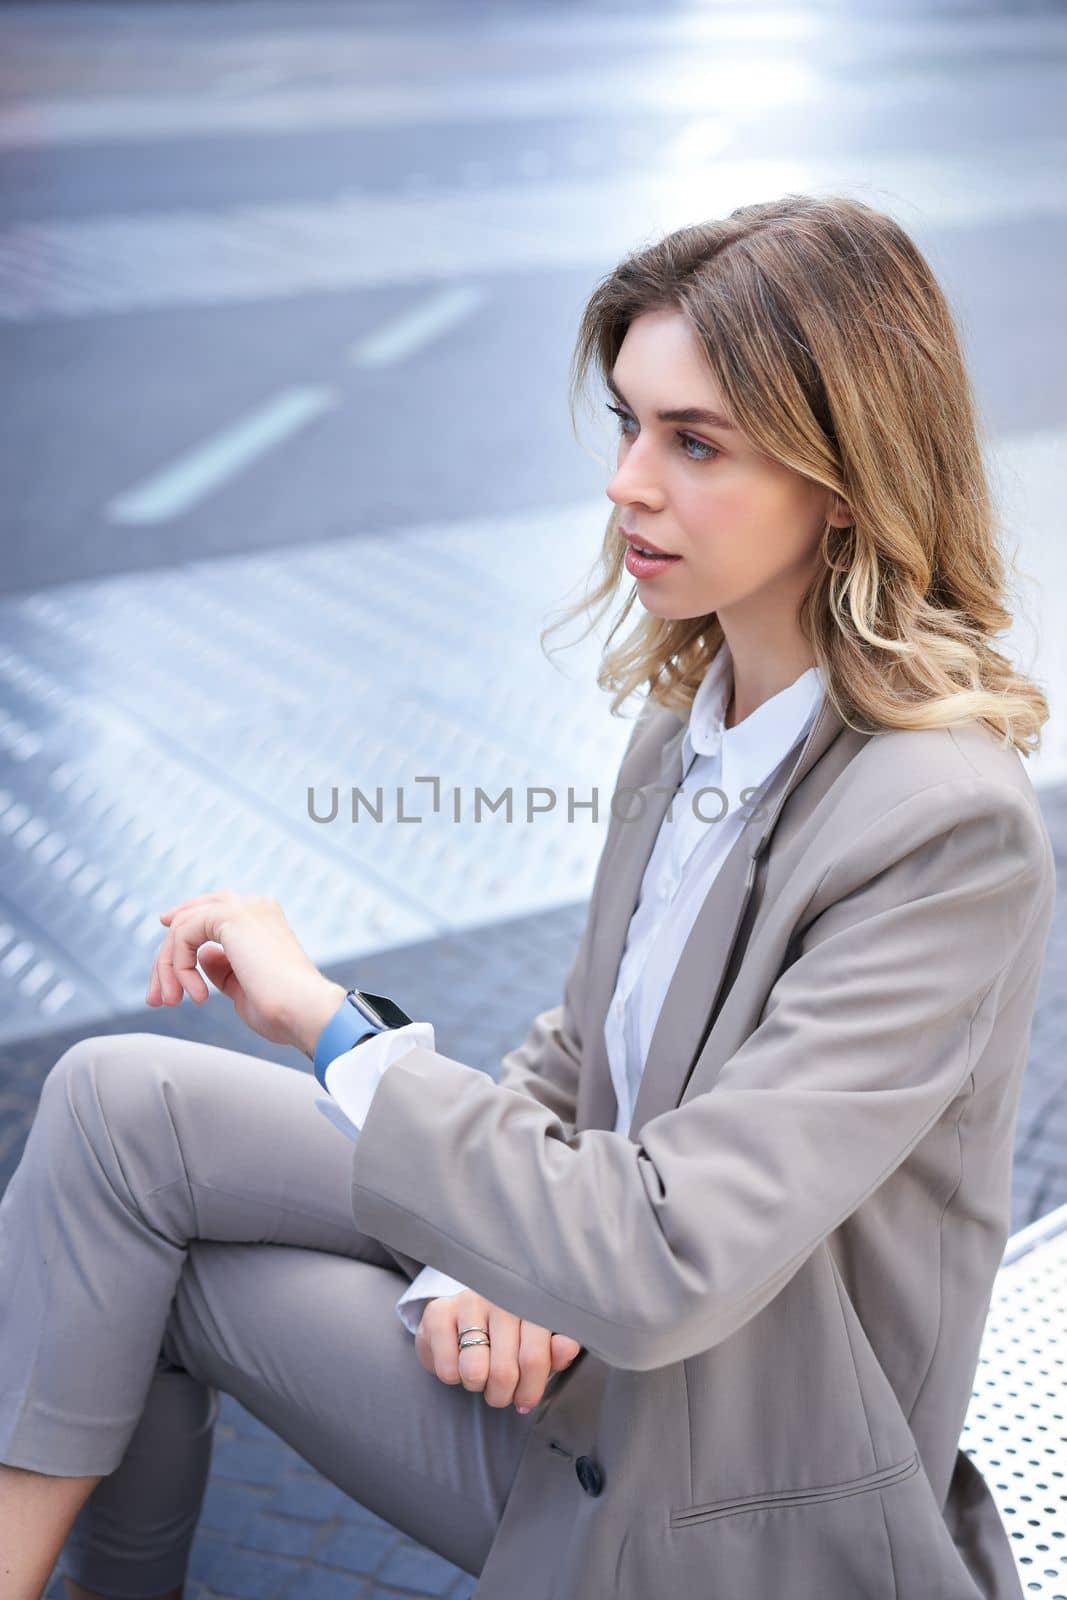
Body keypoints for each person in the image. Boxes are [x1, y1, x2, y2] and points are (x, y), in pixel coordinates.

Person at [0, 192, 1054, 1600]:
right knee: (116, 1107)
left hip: (721, 1502)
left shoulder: (943, 829)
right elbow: (573, 1074)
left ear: (845, 479)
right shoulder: (686, 731)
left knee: (144, 1287)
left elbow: (666, 1250)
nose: (627, 481)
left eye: (694, 443)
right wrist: (476, 1265)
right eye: (630, 423)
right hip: (595, 1328)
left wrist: (334, 1026)